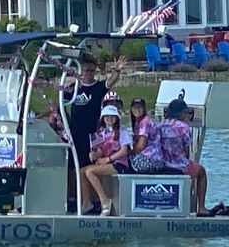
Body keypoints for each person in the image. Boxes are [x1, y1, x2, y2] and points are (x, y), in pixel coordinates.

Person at [131, 97, 211, 216]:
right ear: (182, 113)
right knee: (201, 171)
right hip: (179, 165)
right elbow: (186, 151)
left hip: (162, 163)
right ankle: (201, 208)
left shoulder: (159, 125)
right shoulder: (184, 127)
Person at [62, 53, 121, 206]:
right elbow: (60, 105)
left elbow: (110, 81)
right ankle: (74, 198)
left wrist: (117, 71)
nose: (88, 73)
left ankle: (91, 200)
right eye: (85, 70)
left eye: (91, 70)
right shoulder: (73, 88)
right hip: (74, 133)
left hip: (93, 134)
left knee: (88, 165)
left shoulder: (98, 87)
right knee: (72, 168)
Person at [80, 104, 132, 215]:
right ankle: (87, 202)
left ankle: (105, 201)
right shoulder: (100, 134)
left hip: (120, 163)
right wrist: (94, 155)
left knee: (90, 171)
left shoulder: (122, 132)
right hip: (107, 163)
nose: (109, 118)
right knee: (82, 171)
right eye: (106, 116)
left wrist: (107, 159)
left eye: (112, 116)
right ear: (103, 118)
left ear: (116, 119)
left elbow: (124, 151)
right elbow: (99, 151)